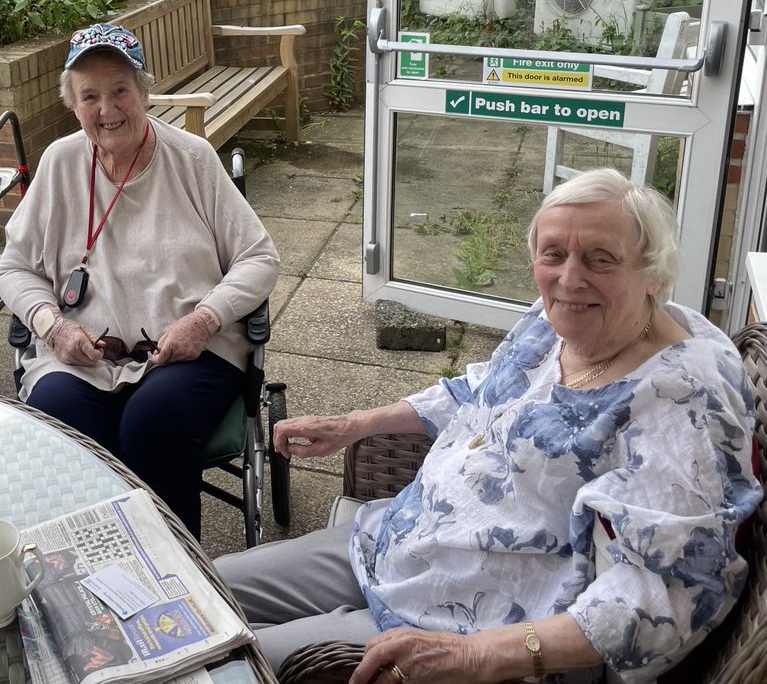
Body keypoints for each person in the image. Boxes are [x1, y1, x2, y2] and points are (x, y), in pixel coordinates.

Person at [215, 168, 761, 684]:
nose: (569, 277)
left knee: (217, 660)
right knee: (200, 591)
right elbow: (478, 389)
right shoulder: (559, 320)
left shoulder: (683, 400)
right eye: (554, 254)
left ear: (654, 275)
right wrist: (354, 424)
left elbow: (668, 596)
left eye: (601, 259)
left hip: (464, 622)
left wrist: (476, 656)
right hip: (396, 541)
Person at [0, 23, 279, 537]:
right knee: (55, 421)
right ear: (74, 104)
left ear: (144, 92)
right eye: (90, 96)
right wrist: (52, 326)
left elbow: (259, 258)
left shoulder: (192, 158)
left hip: (188, 351)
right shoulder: (60, 163)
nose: (107, 110)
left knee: (152, 421)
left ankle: (177, 579)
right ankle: (90, 566)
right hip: (83, 356)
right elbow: (15, 268)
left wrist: (204, 319)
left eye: (120, 90)